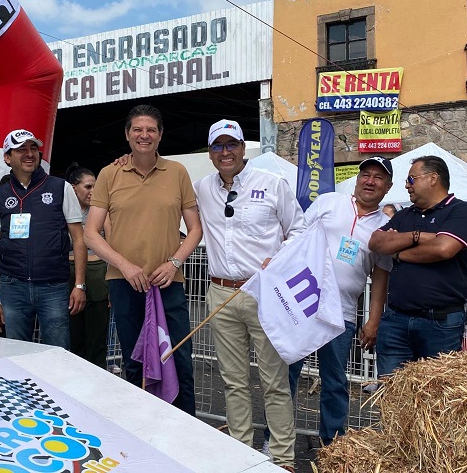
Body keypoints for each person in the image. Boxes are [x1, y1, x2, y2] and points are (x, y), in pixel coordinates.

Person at [193, 119, 303, 472]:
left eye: (231, 145)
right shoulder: (202, 188)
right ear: (210, 152)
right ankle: (240, 450)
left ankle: (283, 458)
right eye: (218, 146)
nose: (225, 152)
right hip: (220, 292)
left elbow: (299, 229)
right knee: (233, 381)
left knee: (274, 382)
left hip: (263, 293)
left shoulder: (272, 183)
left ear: (243, 148)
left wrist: (280, 258)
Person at [84, 105, 202, 416]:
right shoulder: (110, 174)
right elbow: (91, 233)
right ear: (127, 135)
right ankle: (141, 428)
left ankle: (186, 431)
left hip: (168, 283)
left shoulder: (177, 172)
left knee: (179, 360)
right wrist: (124, 265)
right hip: (125, 284)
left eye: (151, 129)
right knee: (135, 362)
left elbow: (195, 229)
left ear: (160, 135)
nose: (144, 135)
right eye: (137, 129)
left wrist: (174, 263)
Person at [286, 156, 393, 447]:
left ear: (388, 187)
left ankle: (331, 445)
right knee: (287, 375)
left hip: (342, 313)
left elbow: (381, 276)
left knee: (334, 382)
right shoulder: (328, 202)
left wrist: (373, 321)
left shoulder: (386, 227)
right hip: (304, 302)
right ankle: (277, 440)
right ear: (357, 179)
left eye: (378, 177)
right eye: (365, 175)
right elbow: (296, 238)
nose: (370, 181)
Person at [0, 129, 86, 346]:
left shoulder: (61, 188)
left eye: (33, 148)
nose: (29, 154)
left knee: (58, 354)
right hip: (12, 287)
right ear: (7, 157)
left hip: (53, 286)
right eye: (21, 149)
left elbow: (78, 239)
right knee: (17, 354)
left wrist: (79, 285)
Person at [369, 155, 467, 376]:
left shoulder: (460, 211)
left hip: (440, 323)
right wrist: (418, 236)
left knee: (434, 393)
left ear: (433, 178)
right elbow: (376, 242)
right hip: (396, 320)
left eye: (411, 179)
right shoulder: (405, 215)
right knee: (393, 393)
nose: (407, 185)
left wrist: (398, 252)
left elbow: (444, 249)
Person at [66, 162, 111, 369]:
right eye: (88, 187)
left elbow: (111, 241)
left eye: (95, 186)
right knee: (73, 334)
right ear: (73, 188)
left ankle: (98, 377)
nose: (93, 191)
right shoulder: (63, 210)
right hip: (69, 272)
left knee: (97, 335)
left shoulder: (101, 211)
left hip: (98, 272)